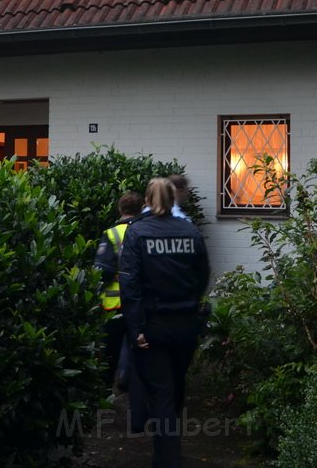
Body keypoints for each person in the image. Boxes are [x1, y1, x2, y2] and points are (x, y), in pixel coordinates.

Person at [120, 177, 210, 468]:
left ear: (147, 201)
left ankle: (167, 459)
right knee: (175, 387)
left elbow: (129, 286)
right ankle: (170, 449)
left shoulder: (137, 233)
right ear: (174, 201)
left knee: (161, 395)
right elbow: (202, 275)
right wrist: (191, 307)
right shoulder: (190, 231)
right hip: (184, 324)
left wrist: (136, 330)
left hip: (153, 326)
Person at [93, 190, 144, 388]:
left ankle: (106, 390)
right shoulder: (144, 232)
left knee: (110, 352)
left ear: (120, 209)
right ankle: (130, 382)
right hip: (138, 303)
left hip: (113, 304)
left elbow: (101, 271)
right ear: (141, 209)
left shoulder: (112, 233)